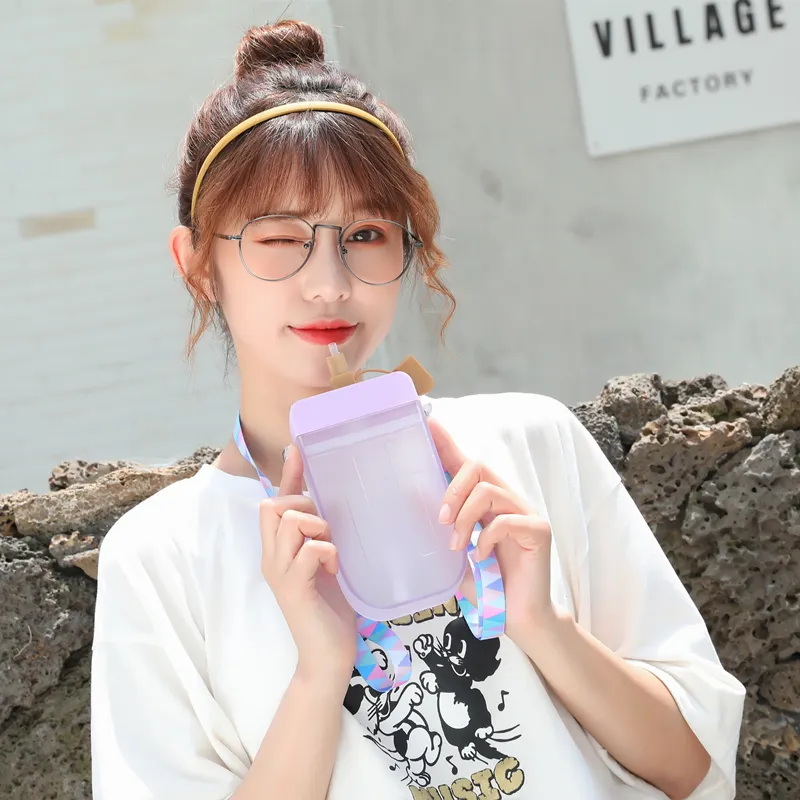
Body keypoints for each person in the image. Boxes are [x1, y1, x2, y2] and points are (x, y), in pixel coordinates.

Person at [89, 19, 745, 800]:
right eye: (280, 239)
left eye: (366, 233)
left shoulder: (529, 444)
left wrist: (543, 625)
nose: (330, 283)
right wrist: (318, 674)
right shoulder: (161, 557)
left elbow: (696, 770)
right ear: (198, 264)